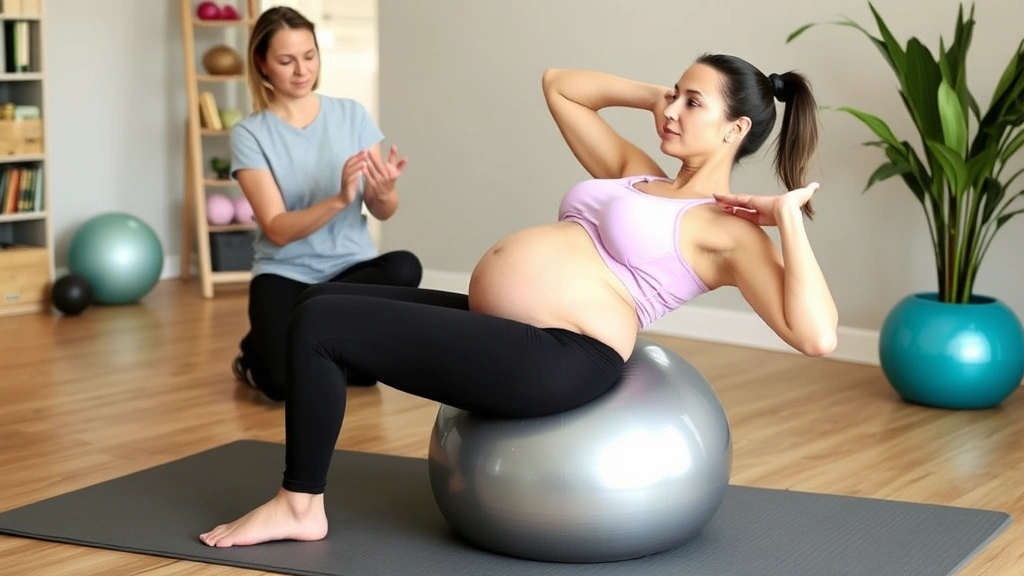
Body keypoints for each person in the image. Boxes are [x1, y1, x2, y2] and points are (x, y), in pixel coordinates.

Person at [199, 52, 839, 547]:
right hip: (515, 332)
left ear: (737, 128)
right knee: (318, 309)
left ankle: (299, 505)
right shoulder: (636, 171)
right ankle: (299, 501)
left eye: (693, 102)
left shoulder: (726, 230)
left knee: (322, 322)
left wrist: (784, 218)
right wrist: (658, 97)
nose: (672, 110)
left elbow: (816, 335)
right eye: (675, 93)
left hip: (562, 359)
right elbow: (559, 83)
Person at [228, 7, 423, 402]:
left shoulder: (351, 114)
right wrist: (338, 199)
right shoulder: (250, 134)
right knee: (279, 386)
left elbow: (382, 209)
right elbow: (278, 229)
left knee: (405, 266)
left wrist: (383, 191)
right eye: (286, 60)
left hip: (349, 269)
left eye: (309, 56)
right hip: (285, 273)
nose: (302, 70)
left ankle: (316, 336)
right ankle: (261, 350)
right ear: (262, 64)